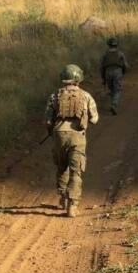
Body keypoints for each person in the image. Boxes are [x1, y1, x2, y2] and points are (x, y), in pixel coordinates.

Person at [45, 64, 99, 217]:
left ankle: (62, 197)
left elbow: (48, 120)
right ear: (78, 79)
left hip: (59, 135)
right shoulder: (86, 96)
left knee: (62, 167)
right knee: (76, 171)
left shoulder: (54, 96)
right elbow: (95, 119)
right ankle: (73, 205)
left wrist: (52, 133)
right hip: (77, 137)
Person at [100, 36, 129, 115]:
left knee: (112, 89)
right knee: (117, 89)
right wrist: (123, 72)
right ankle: (114, 104)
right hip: (117, 72)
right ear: (116, 45)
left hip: (107, 73)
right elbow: (126, 65)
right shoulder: (120, 53)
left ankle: (113, 103)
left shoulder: (105, 54)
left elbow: (101, 67)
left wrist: (103, 78)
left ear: (108, 45)